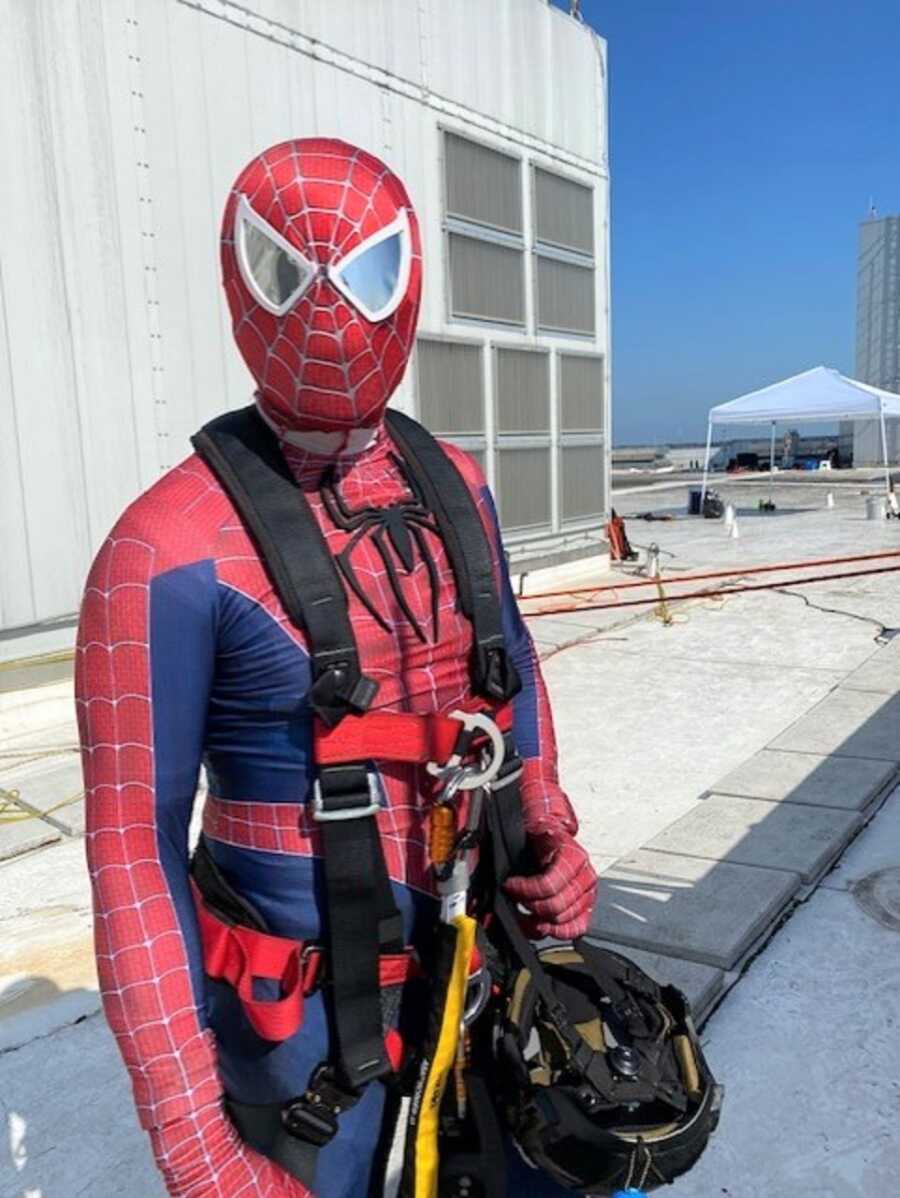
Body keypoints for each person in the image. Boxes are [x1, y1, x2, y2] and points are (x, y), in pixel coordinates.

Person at [75, 138, 598, 1198]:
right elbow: (132, 854)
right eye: (292, 272)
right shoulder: (166, 549)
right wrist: (198, 1152)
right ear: (240, 282)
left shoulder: (456, 485)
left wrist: (548, 820)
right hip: (304, 1040)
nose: (330, 310)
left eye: (367, 273)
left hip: (487, 975)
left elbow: (510, 675)